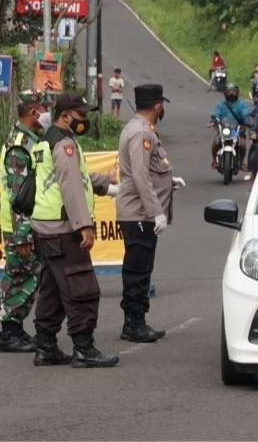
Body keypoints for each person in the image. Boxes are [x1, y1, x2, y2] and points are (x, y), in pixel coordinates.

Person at [30, 93, 119, 367]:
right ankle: (84, 348)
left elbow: (77, 178)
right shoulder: (65, 144)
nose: (85, 120)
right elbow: (70, 187)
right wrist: (84, 225)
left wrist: (106, 184)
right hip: (63, 228)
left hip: (44, 228)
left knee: (53, 289)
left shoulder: (47, 140)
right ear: (66, 115)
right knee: (81, 287)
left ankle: (45, 346)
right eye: (81, 115)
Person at [116, 85, 184, 343]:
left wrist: (169, 182)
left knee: (141, 268)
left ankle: (137, 320)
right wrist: (156, 212)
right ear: (157, 106)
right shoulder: (141, 133)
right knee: (137, 270)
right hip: (139, 214)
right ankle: (133, 323)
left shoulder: (140, 129)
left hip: (139, 213)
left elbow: (151, 172)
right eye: (162, 105)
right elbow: (140, 174)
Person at [0, 91, 49, 353]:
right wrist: (22, 236)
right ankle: (9, 333)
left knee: (29, 275)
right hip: (20, 226)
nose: (47, 113)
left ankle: (15, 329)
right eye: (44, 108)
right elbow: (18, 195)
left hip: (27, 223)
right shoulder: (20, 145)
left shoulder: (31, 139)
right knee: (20, 276)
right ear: (33, 112)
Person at [211, 83, 252, 171]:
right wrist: (214, 120)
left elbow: (245, 114)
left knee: (242, 144)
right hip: (224, 129)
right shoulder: (220, 105)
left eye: (233, 91)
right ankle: (214, 161)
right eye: (229, 91)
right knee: (215, 142)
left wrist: (246, 121)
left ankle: (241, 163)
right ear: (225, 93)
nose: (231, 93)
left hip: (236, 130)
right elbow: (216, 114)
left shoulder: (242, 104)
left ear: (237, 92)